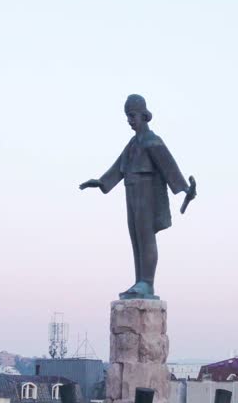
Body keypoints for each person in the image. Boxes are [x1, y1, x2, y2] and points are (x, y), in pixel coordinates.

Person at [80, 94, 196, 299]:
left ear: (143, 115)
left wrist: (185, 189)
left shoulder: (152, 141)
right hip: (131, 190)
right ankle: (139, 281)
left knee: (145, 235)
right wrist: (101, 182)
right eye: (127, 116)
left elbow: (169, 166)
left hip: (146, 190)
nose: (130, 120)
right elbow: (118, 167)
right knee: (135, 237)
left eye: (132, 115)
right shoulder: (133, 144)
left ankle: (147, 283)